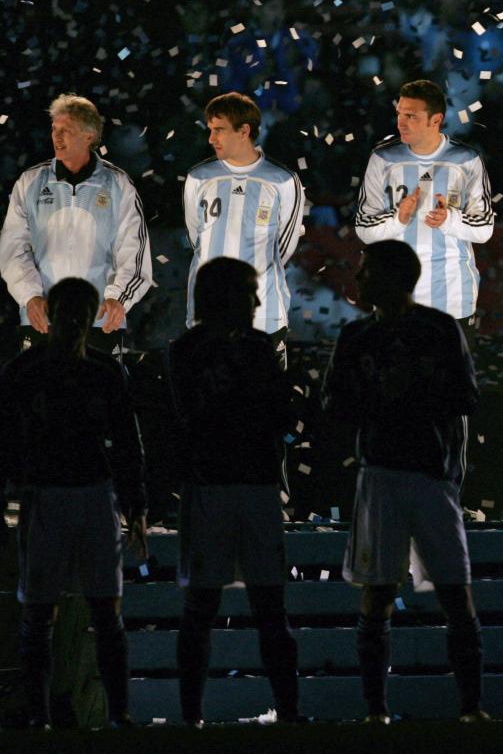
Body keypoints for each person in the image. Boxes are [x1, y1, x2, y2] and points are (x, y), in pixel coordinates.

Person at [322, 240, 486, 724]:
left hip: (427, 475)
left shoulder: (437, 329)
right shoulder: (358, 337)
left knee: (453, 591)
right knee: (380, 593)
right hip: (384, 472)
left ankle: (469, 707)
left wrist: (404, 394)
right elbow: (335, 405)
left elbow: (466, 396)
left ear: (395, 277)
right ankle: (379, 710)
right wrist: (383, 398)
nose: (359, 279)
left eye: (367, 271)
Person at [0, 278, 146, 729]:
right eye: (70, 312)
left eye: (83, 313)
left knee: (101, 612)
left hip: (89, 493)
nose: (76, 322)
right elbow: (5, 443)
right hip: (47, 494)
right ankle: (43, 713)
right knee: (43, 612)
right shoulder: (24, 373)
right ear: (55, 314)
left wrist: (136, 504)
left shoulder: (102, 373)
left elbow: (127, 443)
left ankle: (115, 712)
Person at [167, 257, 302, 726]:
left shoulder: (191, 350)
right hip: (236, 486)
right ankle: (285, 711)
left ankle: (193, 716)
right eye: (249, 291)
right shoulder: (246, 351)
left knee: (212, 608)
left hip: (221, 486)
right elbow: (276, 413)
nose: (257, 302)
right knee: (260, 607)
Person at [0, 94, 154, 355]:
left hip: (100, 323)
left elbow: (135, 253)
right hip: (42, 320)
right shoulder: (30, 182)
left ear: (89, 136)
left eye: (66, 131)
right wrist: (30, 296)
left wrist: (118, 300)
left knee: (100, 394)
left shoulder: (118, 185)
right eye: (54, 130)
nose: (57, 137)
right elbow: (12, 249)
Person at [354, 79, 495, 338]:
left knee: (450, 378)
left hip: (452, 297)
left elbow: (484, 229)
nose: (401, 123)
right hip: (394, 297)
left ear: (436, 119)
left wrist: (449, 219)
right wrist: (398, 219)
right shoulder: (383, 158)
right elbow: (364, 229)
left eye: (411, 116)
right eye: (399, 114)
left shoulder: (466, 160)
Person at [184, 92, 305, 365]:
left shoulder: (283, 180)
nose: (211, 139)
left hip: (264, 314)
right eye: (210, 130)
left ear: (244, 131)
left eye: (219, 130)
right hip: (207, 315)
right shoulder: (198, 177)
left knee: (264, 402)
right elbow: (196, 236)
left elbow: (284, 246)